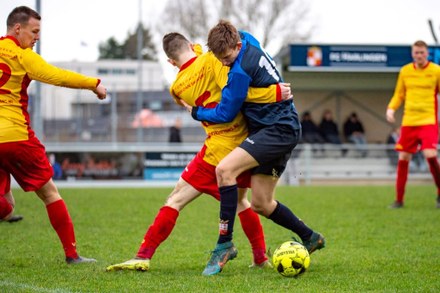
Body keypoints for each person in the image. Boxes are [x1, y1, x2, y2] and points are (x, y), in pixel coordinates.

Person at [105, 32, 292, 273]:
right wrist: (274, 93)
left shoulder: (176, 88)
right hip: (244, 144)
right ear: (192, 46)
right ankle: (259, 257)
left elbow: (202, 89)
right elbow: (238, 92)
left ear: (171, 63)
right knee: (241, 202)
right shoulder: (213, 59)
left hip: (215, 149)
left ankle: (143, 255)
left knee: (175, 199)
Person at [186, 20, 325, 276]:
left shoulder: (239, 72)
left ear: (237, 45)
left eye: (226, 57)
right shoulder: (248, 38)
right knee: (262, 203)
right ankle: (311, 237)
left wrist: (196, 111)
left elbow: (226, 112)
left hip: (276, 130)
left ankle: (224, 243)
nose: (224, 62)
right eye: (219, 57)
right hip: (280, 128)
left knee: (224, 170)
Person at [0, 6, 107, 263]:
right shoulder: (22, 55)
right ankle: (72, 255)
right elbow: (57, 76)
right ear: (18, 29)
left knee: (7, 206)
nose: (37, 37)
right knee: (50, 193)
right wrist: (93, 84)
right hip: (15, 136)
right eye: (34, 31)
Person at [386, 40, 440, 209]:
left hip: (428, 121)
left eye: (422, 52)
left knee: (430, 155)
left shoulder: (436, 71)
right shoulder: (405, 71)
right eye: (416, 52)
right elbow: (399, 94)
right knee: (403, 158)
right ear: (412, 54)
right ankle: (399, 200)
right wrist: (391, 108)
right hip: (409, 121)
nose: (419, 55)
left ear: (427, 53)